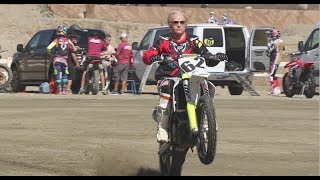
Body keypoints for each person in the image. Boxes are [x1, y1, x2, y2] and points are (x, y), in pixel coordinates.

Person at [142, 10, 227, 143]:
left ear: (186, 24)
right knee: (167, 88)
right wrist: (154, 56)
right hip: (169, 76)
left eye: (182, 22)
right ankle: (162, 127)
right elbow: (148, 54)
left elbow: (206, 54)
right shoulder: (163, 40)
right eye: (175, 22)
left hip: (190, 76)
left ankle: (207, 122)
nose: (179, 25)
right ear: (170, 24)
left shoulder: (193, 40)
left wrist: (216, 57)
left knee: (208, 87)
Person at [47, 25, 78, 95]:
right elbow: (74, 49)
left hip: (57, 59)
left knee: (58, 73)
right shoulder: (68, 41)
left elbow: (48, 48)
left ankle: (59, 90)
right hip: (65, 60)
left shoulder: (56, 40)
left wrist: (51, 54)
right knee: (65, 74)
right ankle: (64, 90)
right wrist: (76, 48)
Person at [79, 31, 107, 95]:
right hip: (97, 58)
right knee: (101, 72)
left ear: (91, 36)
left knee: (84, 72)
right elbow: (105, 48)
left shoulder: (89, 39)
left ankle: (82, 88)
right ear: (97, 36)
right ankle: (103, 88)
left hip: (90, 58)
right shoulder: (101, 41)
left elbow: (84, 46)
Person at [266, 27, 285, 96]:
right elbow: (283, 50)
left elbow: (269, 51)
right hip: (277, 60)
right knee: (273, 75)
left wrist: (268, 43)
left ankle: (274, 89)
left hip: (275, 60)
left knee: (270, 75)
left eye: (271, 34)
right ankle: (277, 89)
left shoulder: (275, 42)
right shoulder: (281, 41)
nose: (269, 36)